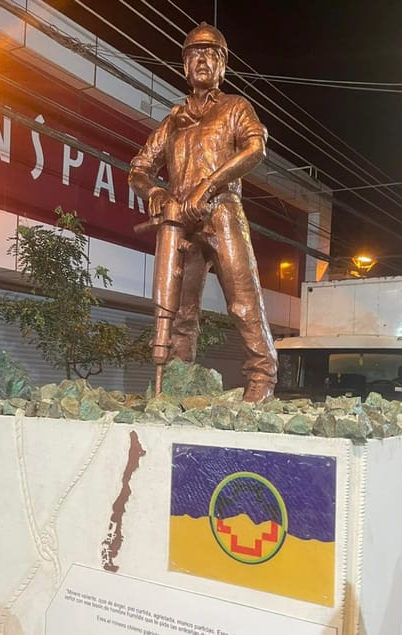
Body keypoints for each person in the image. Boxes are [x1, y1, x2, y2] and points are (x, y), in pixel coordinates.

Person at [128, 22, 277, 402]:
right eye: (194, 54)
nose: (202, 60)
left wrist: (207, 186)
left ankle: (262, 376)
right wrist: (155, 191)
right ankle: (178, 377)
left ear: (223, 65)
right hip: (180, 222)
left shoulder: (235, 108)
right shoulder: (173, 122)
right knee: (180, 310)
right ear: (184, 66)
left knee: (243, 300)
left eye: (212, 54)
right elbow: (139, 168)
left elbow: (255, 149)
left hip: (221, 211)